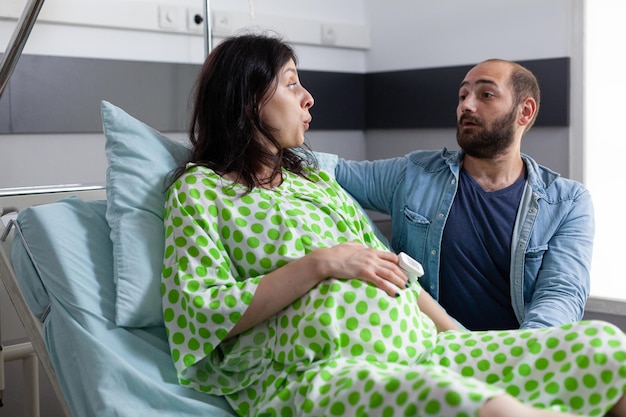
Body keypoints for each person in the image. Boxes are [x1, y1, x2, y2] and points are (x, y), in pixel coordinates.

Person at [161, 34, 626, 417]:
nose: (308, 97)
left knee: (606, 347)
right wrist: (321, 263)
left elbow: (392, 269)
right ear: (246, 100)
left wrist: (471, 346)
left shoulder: (314, 183)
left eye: (484, 94)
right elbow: (198, 312)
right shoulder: (200, 192)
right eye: (291, 84)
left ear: (524, 113)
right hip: (322, 370)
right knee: (482, 405)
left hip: (423, 345)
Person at [328, 59, 593, 331]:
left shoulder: (568, 202)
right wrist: (281, 143)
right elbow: (330, 170)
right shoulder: (413, 174)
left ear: (524, 111)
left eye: (485, 94)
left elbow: (561, 294)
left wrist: (515, 356)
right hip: (429, 351)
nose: (466, 105)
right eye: (463, 95)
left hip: (514, 356)